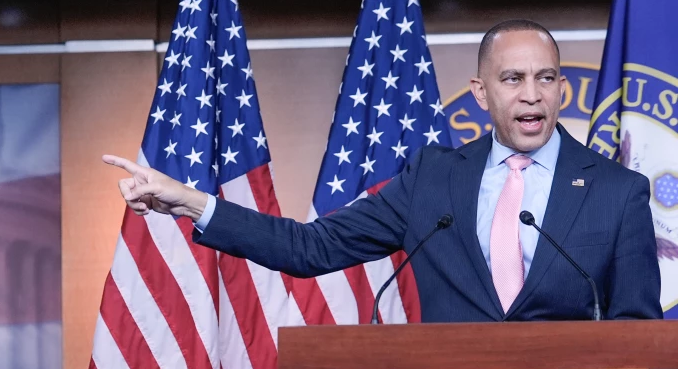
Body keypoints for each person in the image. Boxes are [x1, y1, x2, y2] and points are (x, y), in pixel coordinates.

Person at [104, 19, 661, 321]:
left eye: (545, 78)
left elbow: (638, 335)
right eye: (513, 79)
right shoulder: (434, 178)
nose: (531, 94)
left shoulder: (618, 192)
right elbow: (310, 248)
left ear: (563, 89)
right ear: (481, 92)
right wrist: (192, 202)